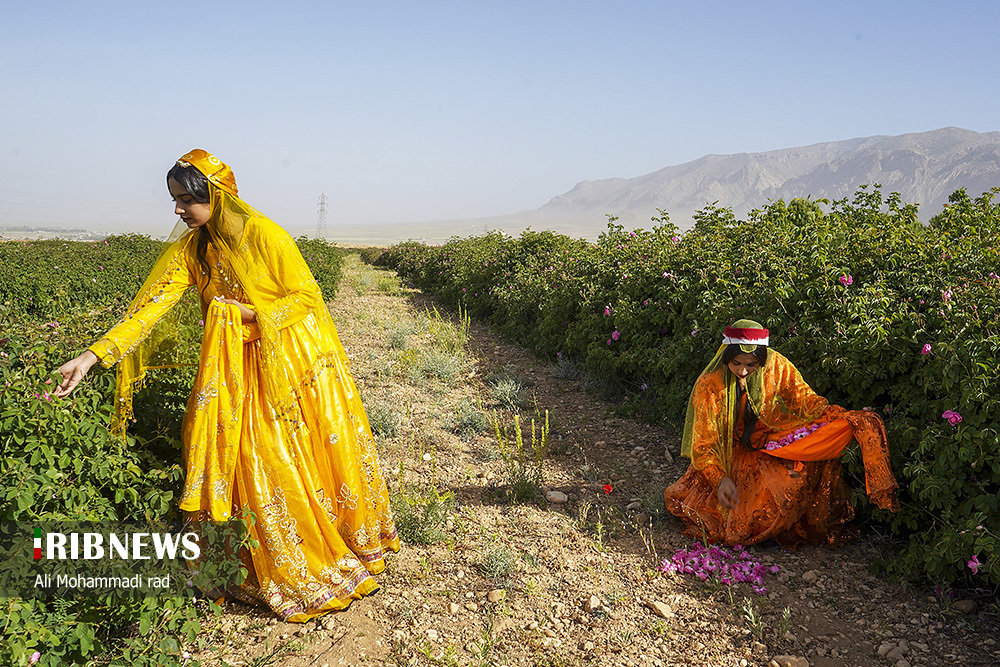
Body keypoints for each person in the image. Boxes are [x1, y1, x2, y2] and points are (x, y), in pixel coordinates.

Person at [56, 149, 400, 621]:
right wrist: (93, 356)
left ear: (214, 196)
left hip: (279, 361)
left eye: (185, 201)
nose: (178, 211)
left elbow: (307, 297)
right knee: (231, 454)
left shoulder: (264, 234)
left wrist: (253, 316)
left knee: (274, 454)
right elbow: (151, 308)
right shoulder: (194, 248)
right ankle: (245, 561)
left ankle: (296, 556)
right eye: (174, 200)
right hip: (229, 368)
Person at [664, 319, 898, 549]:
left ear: (762, 361)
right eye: (736, 364)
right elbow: (705, 443)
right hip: (731, 453)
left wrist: (837, 417)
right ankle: (768, 533)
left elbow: (805, 400)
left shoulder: (778, 366)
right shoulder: (710, 384)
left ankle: (785, 530)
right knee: (752, 502)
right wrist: (720, 479)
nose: (743, 372)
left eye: (751, 365)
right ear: (726, 357)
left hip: (770, 442)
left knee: (799, 475)